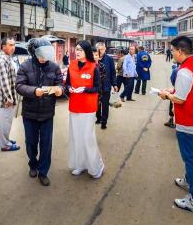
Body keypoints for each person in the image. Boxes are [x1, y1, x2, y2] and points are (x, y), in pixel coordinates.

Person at [158, 36, 193, 214]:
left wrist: (166, 95)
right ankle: (188, 181)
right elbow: (191, 90)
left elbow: (180, 99)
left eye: (172, 50)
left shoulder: (184, 71)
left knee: (191, 159)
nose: (171, 53)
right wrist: (173, 90)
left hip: (189, 123)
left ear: (180, 51)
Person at [16, 38, 63, 186]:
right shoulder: (25, 66)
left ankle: (43, 172)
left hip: (47, 113)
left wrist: (59, 90)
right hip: (30, 113)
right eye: (41, 56)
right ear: (34, 53)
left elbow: (60, 83)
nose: (44, 59)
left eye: (46, 56)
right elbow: (19, 85)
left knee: (46, 144)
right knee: (30, 142)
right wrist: (33, 91)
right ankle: (33, 164)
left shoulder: (54, 67)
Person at [66, 41, 104, 179]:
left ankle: (96, 166)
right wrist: (68, 88)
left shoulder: (94, 67)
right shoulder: (72, 65)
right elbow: (68, 84)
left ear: (87, 51)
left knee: (88, 137)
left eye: (81, 50)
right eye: (76, 49)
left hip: (88, 107)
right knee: (76, 137)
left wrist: (85, 89)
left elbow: (97, 88)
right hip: (74, 106)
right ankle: (79, 164)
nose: (78, 52)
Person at [0, 37, 20, 152]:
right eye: (10, 45)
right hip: (5, 98)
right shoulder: (2, 60)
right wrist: (9, 98)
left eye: (14, 44)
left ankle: (2, 140)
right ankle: (5, 145)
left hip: (3, 97)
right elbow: (5, 82)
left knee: (1, 121)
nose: (13, 47)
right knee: (5, 121)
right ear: (3, 46)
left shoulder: (7, 58)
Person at [96, 42, 117, 129]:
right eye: (99, 49)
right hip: (96, 87)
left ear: (105, 49)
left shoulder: (109, 59)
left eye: (102, 49)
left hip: (106, 86)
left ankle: (104, 122)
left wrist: (114, 84)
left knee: (105, 105)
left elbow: (113, 73)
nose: (100, 51)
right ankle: (98, 118)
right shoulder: (93, 59)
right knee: (97, 104)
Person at [164, 62, 179, 129]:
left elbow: (172, 80)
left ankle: (172, 120)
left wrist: (167, 94)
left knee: (172, 102)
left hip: (178, 91)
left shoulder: (176, 70)